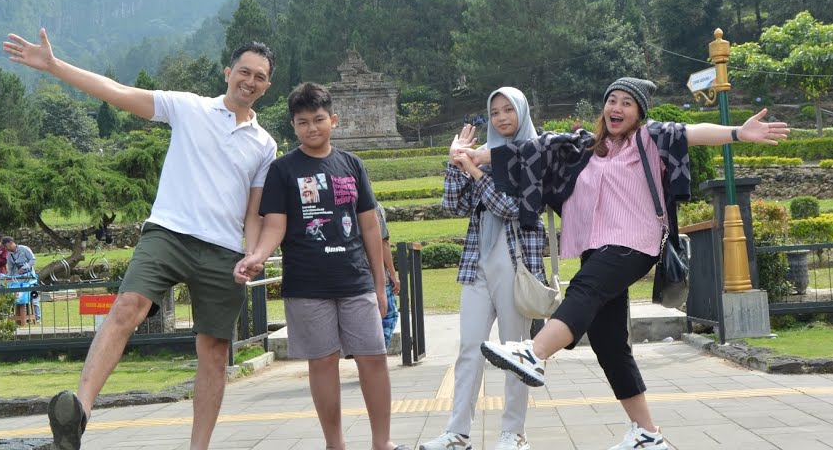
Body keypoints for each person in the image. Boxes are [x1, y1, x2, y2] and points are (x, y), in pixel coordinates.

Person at [479, 78, 789, 450]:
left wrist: (739, 132)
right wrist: (473, 157)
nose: (617, 108)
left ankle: (535, 352)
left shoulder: (649, 139)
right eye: (612, 100)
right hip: (596, 248)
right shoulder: (585, 149)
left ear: (639, 113)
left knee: (584, 290)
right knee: (610, 344)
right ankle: (647, 433)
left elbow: (694, 132)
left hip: (633, 243)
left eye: (627, 103)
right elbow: (527, 151)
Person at [4, 29, 278, 450]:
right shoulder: (189, 108)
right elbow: (117, 91)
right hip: (168, 232)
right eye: (244, 71)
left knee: (216, 349)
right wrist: (54, 66)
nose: (250, 81)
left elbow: (254, 211)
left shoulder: (265, 144)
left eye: (260, 76)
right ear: (228, 72)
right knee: (127, 307)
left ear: (267, 85)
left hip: (223, 250)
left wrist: (254, 253)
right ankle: (76, 419)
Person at [234, 82, 407, 450]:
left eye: (318, 119)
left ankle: (383, 442)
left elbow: (370, 226)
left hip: (355, 279)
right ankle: (335, 444)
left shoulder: (352, 165)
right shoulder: (283, 170)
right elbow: (275, 225)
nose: (312, 128)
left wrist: (379, 284)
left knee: (373, 358)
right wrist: (257, 257)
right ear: (293, 126)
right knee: (322, 363)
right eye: (302, 122)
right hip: (307, 284)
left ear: (333, 120)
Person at [420, 87, 545, 450]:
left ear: (522, 111)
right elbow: (452, 205)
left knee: (515, 350)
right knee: (469, 348)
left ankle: (513, 432)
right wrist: (454, 161)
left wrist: (473, 167)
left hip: (515, 262)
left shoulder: (532, 154)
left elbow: (511, 209)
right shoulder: (482, 158)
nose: (502, 117)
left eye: (509, 110)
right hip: (478, 262)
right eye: (495, 112)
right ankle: (458, 432)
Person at [374, 203, 400, 352]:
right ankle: (376, 356)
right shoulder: (374, 207)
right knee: (388, 315)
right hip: (376, 275)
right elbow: (383, 242)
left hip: (352, 275)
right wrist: (392, 274)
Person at [3, 236, 39, 326]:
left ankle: (37, 318)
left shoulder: (24, 249)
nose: (6, 248)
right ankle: (21, 318)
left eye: (6, 246)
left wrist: (24, 267)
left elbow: (33, 260)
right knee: (19, 297)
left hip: (29, 277)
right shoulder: (9, 255)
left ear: (11, 243)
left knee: (33, 297)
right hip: (18, 280)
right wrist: (8, 278)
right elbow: (10, 270)